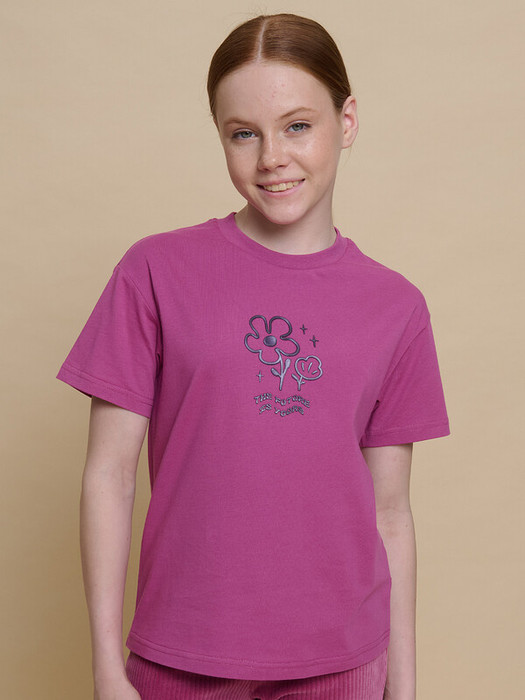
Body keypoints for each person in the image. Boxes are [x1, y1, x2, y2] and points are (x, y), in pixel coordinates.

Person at [57, 13, 450, 700]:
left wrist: (404, 688)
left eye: (297, 125)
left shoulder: (397, 307)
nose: (272, 157)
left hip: (342, 664)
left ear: (346, 121)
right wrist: (106, 670)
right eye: (244, 133)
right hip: (180, 654)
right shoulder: (154, 272)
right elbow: (109, 476)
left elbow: (390, 513)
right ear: (220, 135)